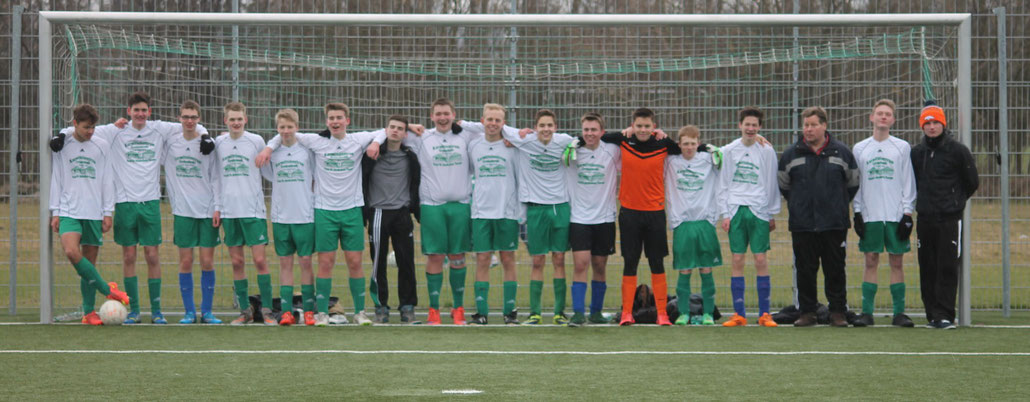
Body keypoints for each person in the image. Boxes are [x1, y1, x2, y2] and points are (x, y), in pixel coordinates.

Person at [52, 91, 210, 324]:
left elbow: (191, 123)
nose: (140, 114)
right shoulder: (115, 131)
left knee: (153, 255)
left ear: (149, 112)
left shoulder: (159, 129)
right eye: (136, 110)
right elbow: (79, 129)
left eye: (144, 110)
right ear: (129, 111)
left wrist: (206, 136)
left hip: (150, 202)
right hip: (124, 203)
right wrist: (61, 135)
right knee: (128, 256)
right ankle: (134, 310)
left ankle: (157, 311)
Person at [255, 102, 385, 326]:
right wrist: (268, 148)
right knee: (325, 262)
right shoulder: (315, 141)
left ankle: (360, 312)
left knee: (355, 261)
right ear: (326, 122)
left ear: (347, 121)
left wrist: (374, 143)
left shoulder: (358, 139)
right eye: (331, 118)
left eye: (339, 118)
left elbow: (383, 131)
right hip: (324, 210)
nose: (335, 122)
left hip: (352, 209)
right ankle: (321, 312)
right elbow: (285, 134)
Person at [382, 98, 479, 325]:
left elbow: (490, 128)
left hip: (460, 205)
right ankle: (434, 310)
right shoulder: (422, 137)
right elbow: (389, 132)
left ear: (454, 115)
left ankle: (458, 308)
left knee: (457, 256)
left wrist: (466, 123)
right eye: (438, 114)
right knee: (435, 256)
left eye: (447, 113)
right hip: (432, 206)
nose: (443, 118)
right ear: (432, 116)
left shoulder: (466, 135)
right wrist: (409, 127)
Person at [49, 104, 130, 325]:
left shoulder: (101, 146)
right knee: (71, 252)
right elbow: (56, 176)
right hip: (68, 210)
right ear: (75, 124)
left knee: (89, 263)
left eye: (93, 127)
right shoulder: (63, 144)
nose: (90, 132)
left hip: (94, 211)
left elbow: (106, 179)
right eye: (86, 127)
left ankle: (88, 313)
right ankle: (108, 290)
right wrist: (55, 210)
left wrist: (107, 212)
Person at [778, 106, 859, 327]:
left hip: (834, 223)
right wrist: (799, 204)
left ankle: (838, 312)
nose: (809, 129)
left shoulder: (842, 152)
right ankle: (807, 312)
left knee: (835, 269)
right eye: (806, 125)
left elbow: (852, 183)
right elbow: (784, 185)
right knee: (805, 270)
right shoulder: (790, 154)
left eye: (814, 125)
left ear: (824, 125)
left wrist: (836, 204)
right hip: (803, 223)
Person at [599, 108, 680, 326]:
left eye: (647, 126)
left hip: (655, 213)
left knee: (657, 262)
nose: (643, 130)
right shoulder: (623, 140)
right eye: (639, 126)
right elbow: (600, 135)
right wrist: (625, 131)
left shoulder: (664, 143)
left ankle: (662, 313)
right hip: (629, 213)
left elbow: (689, 148)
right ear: (632, 126)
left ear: (654, 127)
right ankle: (627, 313)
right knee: (630, 262)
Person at [502, 109, 577, 325]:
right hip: (535, 209)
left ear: (555, 127)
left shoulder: (564, 141)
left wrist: (573, 146)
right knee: (537, 260)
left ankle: (559, 312)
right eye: (542, 125)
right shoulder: (526, 140)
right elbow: (499, 127)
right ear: (535, 128)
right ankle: (535, 312)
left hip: (559, 207)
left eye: (550, 126)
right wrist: (516, 136)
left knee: (560, 258)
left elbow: (580, 140)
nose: (546, 129)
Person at [911, 100, 979, 329]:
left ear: (943, 123)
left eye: (935, 122)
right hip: (925, 218)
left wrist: (955, 201)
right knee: (927, 265)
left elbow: (972, 182)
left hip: (949, 218)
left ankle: (945, 314)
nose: (932, 127)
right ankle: (931, 312)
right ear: (922, 126)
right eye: (927, 123)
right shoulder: (917, 153)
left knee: (947, 266)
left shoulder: (958, 150)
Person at [851, 99, 916, 328]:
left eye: (888, 114)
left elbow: (908, 181)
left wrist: (907, 213)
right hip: (871, 214)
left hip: (895, 214)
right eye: (879, 113)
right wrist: (857, 211)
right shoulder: (860, 148)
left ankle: (899, 313)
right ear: (871, 117)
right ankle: (867, 313)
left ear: (893, 120)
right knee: (870, 260)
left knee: (896, 262)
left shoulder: (902, 147)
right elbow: (857, 182)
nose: (883, 117)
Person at [213, 101, 276, 326]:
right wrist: (217, 207)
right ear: (225, 121)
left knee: (260, 260)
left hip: (253, 211)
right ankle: (245, 311)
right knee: (237, 262)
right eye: (232, 119)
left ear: (245, 120)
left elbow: (268, 171)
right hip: (230, 212)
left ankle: (267, 310)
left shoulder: (256, 141)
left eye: (239, 119)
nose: (236, 123)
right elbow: (216, 177)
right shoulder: (219, 143)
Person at [718, 107, 780, 328]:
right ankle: (739, 314)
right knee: (737, 260)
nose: (751, 128)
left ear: (760, 127)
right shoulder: (728, 150)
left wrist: (771, 212)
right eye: (747, 124)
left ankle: (765, 314)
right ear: (740, 125)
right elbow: (723, 183)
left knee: (761, 259)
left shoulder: (766, 150)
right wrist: (725, 213)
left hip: (759, 210)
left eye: (755, 125)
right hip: (736, 210)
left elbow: (771, 181)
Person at [162, 100, 222, 324]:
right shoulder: (170, 143)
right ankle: (189, 312)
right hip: (183, 210)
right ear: (179, 118)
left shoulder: (208, 144)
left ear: (199, 119)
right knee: (185, 261)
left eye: (193, 117)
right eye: (185, 116)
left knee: (207, 261)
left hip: (207, 210)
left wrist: (218, 207)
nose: (189, 121)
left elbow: (215, 177)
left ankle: (207, 312)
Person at [463, 104, 521, 325]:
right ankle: (482, 312)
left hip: (507, 211)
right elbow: (468, 173)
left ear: (503, 123)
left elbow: (519, 176)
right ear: (482, 121)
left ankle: (509, 312)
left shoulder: (513, 146)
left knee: (508, 259)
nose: (493, 124)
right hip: (481, 212)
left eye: (498, 120)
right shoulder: (473, 145)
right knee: (483, 259)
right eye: (490, 119)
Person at [259, 109, 316, 326]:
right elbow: (269, 176)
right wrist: (271, 146)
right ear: (277, 129)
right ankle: (286, 312)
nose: (286, 131)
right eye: (282, 127)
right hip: (281, 216)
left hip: (304, 215)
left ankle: (309, 310)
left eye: (289, 127)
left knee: (306, 262)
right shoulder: (273, 153)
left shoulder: (307, 150)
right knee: (285, 264)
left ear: (297, 128)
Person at [362, 115, 421, 324]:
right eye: (391, 127)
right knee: (378, 263)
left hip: (402, 213)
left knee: (406, 262)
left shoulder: (410, 156)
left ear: (405, 134)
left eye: (400, 128)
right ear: (385, 130)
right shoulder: (372, 152)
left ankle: (407, 307)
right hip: (378, 212)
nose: (395, 131)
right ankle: (381, 306)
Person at [565, 113, 620, 326]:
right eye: (586, 129)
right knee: (580, 264)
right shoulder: (572, 150)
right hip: (579, 218)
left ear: (602, 132)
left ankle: (596, 313)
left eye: (594, 129)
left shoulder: (612, 150)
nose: (589, 133)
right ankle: (578, 313)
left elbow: (632, 138)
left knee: (599, 265)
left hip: (604, 218)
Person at [665, 125, 723, 326]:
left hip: (704, 222)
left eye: (692, 143)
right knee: (685, 270)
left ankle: (708, 313)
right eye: (685, 144)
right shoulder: (671, 162)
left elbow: (731, 153)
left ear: (698, 144)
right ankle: (683, 313)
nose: (689, 147)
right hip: (682, 223)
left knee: (706, 269)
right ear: (679, 145)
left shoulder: (709, 159)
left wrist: (758, 137)